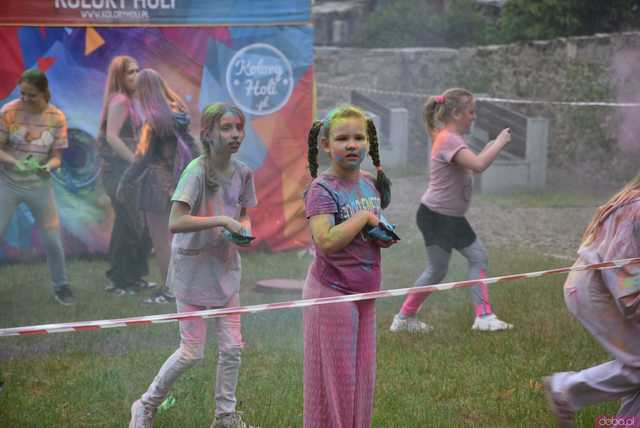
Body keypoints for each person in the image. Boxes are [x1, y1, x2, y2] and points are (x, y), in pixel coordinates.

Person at [129, 103, 257, 428]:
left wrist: (244, 226)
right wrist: (223, 220)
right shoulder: (196, 172)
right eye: (226, 128)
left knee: (232, 348)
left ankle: (225, 417)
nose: (235, 135)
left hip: (226, 270)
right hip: (192, 271)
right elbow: (175, 221)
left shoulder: (243, 172)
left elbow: (244, 211)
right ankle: (145, 404)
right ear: (207, 134)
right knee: (191, 352)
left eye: (239, 128)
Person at [390, 88, 513, 333]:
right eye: (471, 111)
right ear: (456, 113)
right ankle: (483, 316)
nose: (474, 116)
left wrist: (491, 147)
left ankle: (405, 318)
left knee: (441, 268)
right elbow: (478, 165)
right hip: (438, 217)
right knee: (469, 259)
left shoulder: (450, 138)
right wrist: (499, 143)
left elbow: (472, 161)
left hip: (444, 216)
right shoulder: (448, 139)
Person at [303, 105, 396, 428]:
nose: (352, 144)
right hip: (333, 293)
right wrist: (363, 219)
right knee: (338, 383)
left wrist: (381, 234)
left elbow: (369, 227)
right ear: (326, 145)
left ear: (368, 143)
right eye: (343, 138)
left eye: (359, 137)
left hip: (366, 293)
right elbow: (325, 241)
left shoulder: (368, 184)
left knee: (363, 381)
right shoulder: (322, 189)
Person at [544, 175, 640, 428]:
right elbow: (625, 274)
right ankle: (566, 390)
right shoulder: (637, 208)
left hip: (605, 287)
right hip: (598, 290)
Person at [121, 68, 198, 304]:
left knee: (161, 242)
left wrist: (125, 181)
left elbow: (142, 157)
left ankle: (169, 292)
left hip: (155, 186)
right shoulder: (180, 114)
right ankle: (185, 287)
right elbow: (193, 149)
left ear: (144, 92)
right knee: (178, 240)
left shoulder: (152, 121)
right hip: (179, 183)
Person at [0, 69, 73, 304]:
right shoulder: (8, 112)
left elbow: (57, 157)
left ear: (44, 93)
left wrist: (47, 168)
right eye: (22, 94)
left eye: (31, 95)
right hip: (8, 184)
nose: (25, 99)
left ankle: (61, 287)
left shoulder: (57, 118)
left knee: (52, 238)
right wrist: (15, 163)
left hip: (40, 185)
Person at [98, 55, 155, 296]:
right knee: (128, 224)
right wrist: (135, 163)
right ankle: (119, 281)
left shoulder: (131, 99)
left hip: (129, 172)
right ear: (119, 76)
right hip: (120, 173)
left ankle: (134, 277)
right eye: (130, 72)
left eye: (137, 70)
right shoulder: (120, 99)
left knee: (137, 225)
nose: (136, 76)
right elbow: (112, 137)